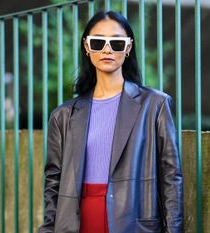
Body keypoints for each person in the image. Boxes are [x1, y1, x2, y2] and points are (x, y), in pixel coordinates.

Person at [38, 10, 183, 233]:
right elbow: (53, 184)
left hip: (132, 219)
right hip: (77, 219)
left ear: (128, 48)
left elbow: (171, 177)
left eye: (116, 43)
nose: (107, 49)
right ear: (87, 47)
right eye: (98, 42)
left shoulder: (155, 105)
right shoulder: (64, 115)